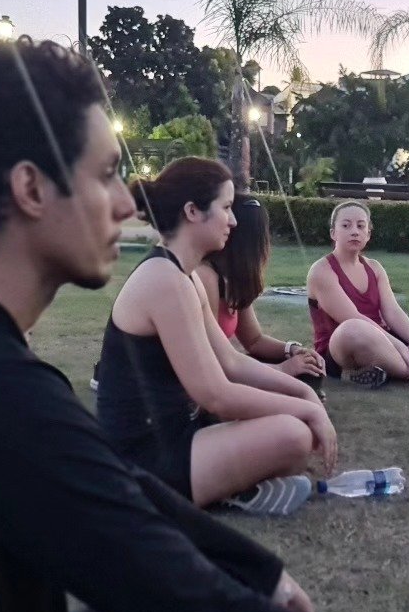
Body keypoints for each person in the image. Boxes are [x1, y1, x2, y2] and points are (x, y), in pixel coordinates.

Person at [0, 36, 409, 612]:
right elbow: (171, 587)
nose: (126, 203)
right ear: (31, 189)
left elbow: (113, 483)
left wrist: (255, 570)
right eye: (104, 175)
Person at [96, 157, 336, 517]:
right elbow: (215, 395)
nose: (234, 220)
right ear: (193, 211)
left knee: (296, 427)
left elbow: (231, 360)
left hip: (180, 431)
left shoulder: (183, 274)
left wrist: (302, 392)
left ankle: (231, 485)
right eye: (225, 208)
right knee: (296, 434)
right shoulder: (164, 279)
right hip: (144, 458)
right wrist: (307, 410)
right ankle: (227, 491)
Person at [306, 200, 409, 388]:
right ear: (334, 233)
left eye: (361, 226)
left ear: (368, 234)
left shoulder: (375, 267)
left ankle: (396, 366)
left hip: (383, 337)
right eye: (346, 225)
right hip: (343, 348)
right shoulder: (321, 271)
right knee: (353, 328)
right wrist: (400, 347)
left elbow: (393, 312)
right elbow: (353, 317)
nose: (354, 231)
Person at [196, 193, 327, 397]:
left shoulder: (233, 279)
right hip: (204, 379)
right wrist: (283, 370)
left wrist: (293, 350)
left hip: (222, 368)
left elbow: (254, 340)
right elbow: (210, 357)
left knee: (306, 376)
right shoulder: (206, 276)